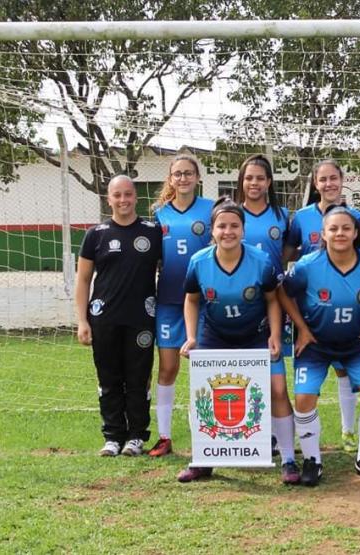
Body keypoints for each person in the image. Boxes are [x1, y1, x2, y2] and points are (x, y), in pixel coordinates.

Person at [175, 198, 285, 483]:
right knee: (202, 393)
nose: (228, 231)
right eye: (221, 226)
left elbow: (273, 300)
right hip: (215, 336)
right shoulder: (199, 262)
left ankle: (288, 458)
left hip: (255, 335)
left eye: (234, 225)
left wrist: (274, 334)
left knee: (278, 389)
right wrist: (191, 336)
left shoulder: (261, 261)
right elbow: (191, 300)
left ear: (243, 230)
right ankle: (203, 458)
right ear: (212, 230)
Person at [280, 206, 360, 485]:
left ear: (355, 233)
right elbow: (283, 293)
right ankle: (312, 460)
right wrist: (301, 329)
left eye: (346, 228)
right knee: (304, 399)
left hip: (356, 342)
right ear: (323, 234)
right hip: (315, 343)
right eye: (333, 229)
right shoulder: (307, 265)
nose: (340, 233)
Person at [76, 175, 162, 457]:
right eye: (117, 195)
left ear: (136, 197)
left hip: (141, 319)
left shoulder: (153, 232)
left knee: (138, 378)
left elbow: (169, 270)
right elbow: (83, 280)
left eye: (128, 194)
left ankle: (136, 436)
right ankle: (113, 436)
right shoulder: (96, 234)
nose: (123, 200)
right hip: (104, 318)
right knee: (109, 378)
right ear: (109, 199)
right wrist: (82, 320)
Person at [287, 159, 360, 453]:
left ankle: (347, 431)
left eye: (334, 178)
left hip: (344, 303)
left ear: (342, 180)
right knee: (307, 370)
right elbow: (289, 254)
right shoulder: (302, 218)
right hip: (311, 305)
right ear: (315, 184)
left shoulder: (356, 217)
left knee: (345, 370)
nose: (329, 184)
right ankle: (303, 440)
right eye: (323, 180)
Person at [232, 154, 298, 479]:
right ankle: (249, 437)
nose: (254, 183)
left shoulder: (282, 216)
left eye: (260, 178)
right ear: (241, 182)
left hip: (274, 303)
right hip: (240, 308)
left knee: (276, 376)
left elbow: (287, 253)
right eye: (249, 178)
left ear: (269, 182)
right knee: (245, 374)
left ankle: (278, 439)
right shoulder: (231, 217)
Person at [149, 155, 213, 457]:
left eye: (188, 173)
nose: (183, 178)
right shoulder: (159, 215)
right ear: (170, 179)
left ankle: (208, 434)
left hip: (205, 302)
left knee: (203, 370)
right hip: (169, 302)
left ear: (197, 177)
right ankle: (164, 437)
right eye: (178, 174)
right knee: (168, 367)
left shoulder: (212, 209)